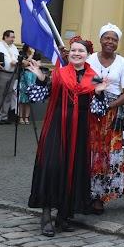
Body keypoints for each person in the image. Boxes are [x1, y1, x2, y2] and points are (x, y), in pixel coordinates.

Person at [27, 36, 108, 236]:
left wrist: (98, 94)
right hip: (56, 126)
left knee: (74, 169)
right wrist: (40, 78)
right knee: (52, 166)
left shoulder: (96, 76)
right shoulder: (59, 73)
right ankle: (46, 215)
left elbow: (99, 110)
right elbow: (37, 97)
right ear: (68, 53)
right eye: (73, 50)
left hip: (80, 130)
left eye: (80, 51)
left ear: (87, 55)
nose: (76, 53)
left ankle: (63, 215)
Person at [86, 24, 124, 214]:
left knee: (108, 155)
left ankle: (101, 198)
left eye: (114, 39)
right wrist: (98, 95)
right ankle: (85, 192)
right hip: (90, 111)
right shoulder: (89, 59)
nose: (110, 42)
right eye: (107, 38)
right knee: (90, 151)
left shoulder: (122, 63)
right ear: (100, 40)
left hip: (112, 114)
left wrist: (109, 106)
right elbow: (85, 81)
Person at [0, 30, 20, 124]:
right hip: (2, 73)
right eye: (12, 37)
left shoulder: (14, 47)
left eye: (13, 37)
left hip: (13, 73)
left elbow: (17, 58)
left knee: (8, 95)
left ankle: (4, 116)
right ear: (5, 37)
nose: (13, 39)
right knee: (0, 95)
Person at [17, 45, 38, 124]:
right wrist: (31, 57)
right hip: (24, 77)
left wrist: (30, 62)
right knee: (22, 98)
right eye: (30, 47)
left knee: (29, 99)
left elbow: (37, 65)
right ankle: (20, 117)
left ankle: (26, 117)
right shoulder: (22, 53)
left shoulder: (37, 55)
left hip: (32, 77)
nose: (32, 48)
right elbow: (24, 64)